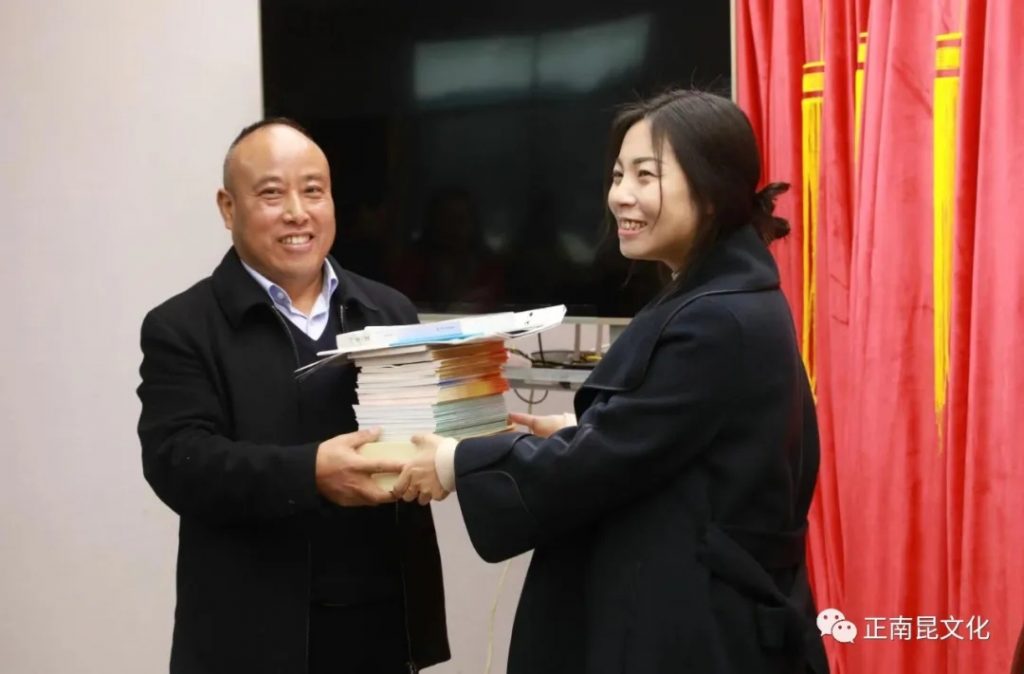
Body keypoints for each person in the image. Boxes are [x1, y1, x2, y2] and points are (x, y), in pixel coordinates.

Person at [393, 90, 830, 673]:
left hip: (700, 635)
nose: (620, 194)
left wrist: (454, 462)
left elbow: (606, 459)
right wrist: (581, 427)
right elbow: (667, 440)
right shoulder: (724, 295)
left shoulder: (716, 316)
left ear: (712, 189)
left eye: (646, 175)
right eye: (619, 174)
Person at [137, 118, 449, 674]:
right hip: (249, 634)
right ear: (228, 208)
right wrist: (311, 473)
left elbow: (426, 429)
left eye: (313, 191)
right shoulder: (181, 327)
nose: (297, 213)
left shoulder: (389, 311)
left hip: (379, 623)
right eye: (271, 194)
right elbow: (178, 461)